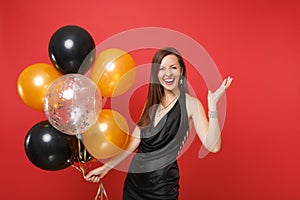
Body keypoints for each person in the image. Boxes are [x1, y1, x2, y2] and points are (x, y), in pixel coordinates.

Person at [85, 47, 233, 199]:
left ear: (181, 70)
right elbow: (134, 142)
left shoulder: (191, 104)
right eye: (162, 69)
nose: (167, 73)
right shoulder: (151, 102)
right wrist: (106, 167)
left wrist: (213, 107)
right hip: (134, 184)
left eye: (173, 68)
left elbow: (213, 146)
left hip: (163, 188)